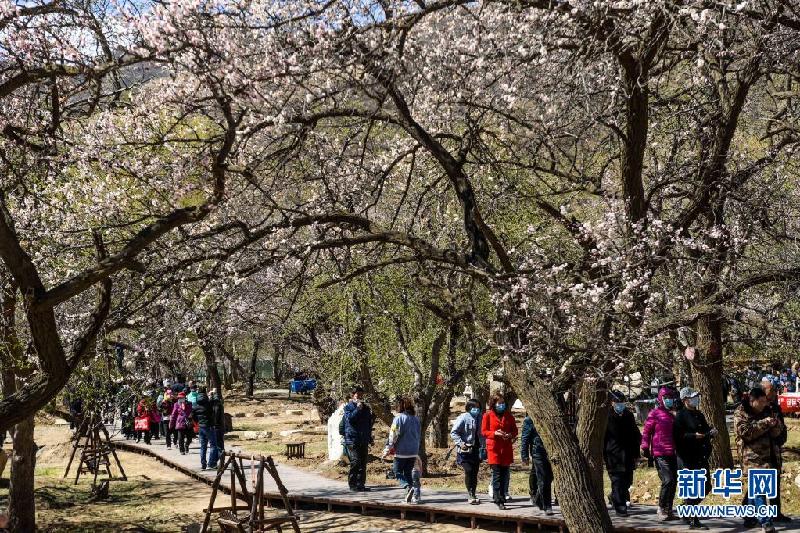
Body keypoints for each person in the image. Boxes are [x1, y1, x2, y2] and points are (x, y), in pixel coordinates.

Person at [734, 387, 784, 533]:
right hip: (752, 458)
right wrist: (764, 423)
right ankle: (766, 522)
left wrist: (775, 424)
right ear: (752, 401)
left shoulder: (768, 410)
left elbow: (778, 432)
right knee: (759, 489)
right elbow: (745, 433)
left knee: (756, 490)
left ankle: (749, 516)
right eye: (760, 402)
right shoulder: (741, 412)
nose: (764, 404)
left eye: (765, 401)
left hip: (771, 456)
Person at [674, 387, 715, 530]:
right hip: (687, 457)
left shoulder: (699, 414)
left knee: (706, 486)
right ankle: (693, 520)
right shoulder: (680, 416)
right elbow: (678, 437)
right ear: (685, 400)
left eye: (696, 396)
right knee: (692, 489)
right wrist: (693, 436)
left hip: (701, 456)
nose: (695, 399)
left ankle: (687, 507)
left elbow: (704, 430)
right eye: (692, 397)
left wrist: (710, 432)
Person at [641, 386, 679, 521]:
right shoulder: (654, 413)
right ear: (660, 399)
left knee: (674, 481)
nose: (668, 400)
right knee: (667, 480)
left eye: (670, 398)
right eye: (665, 398)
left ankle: (669, 509)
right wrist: (645, 447)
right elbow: (646, 431)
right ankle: (661, 508)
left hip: (673, 452)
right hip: (660, 452)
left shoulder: (673, 415)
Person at [604, 391, 641, 517]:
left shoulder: (628, 415)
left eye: (622, 402)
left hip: (628, 454)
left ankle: (613, 496)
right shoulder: (607, 417)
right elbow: (603, 439)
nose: (620, 404)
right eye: (617, 402)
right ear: (612, 403)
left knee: (627, 481)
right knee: (617, 481)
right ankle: (620, 507)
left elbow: (636, 435)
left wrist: (637, 454)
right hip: (613, 455)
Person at [760, 375, 790, 523]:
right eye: (771, 390)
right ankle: (751, 513)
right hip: (761, 452)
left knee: (775, 483)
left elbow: (782, 425)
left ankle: (776, 512)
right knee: (760, 485)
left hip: (775, 449)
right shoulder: (757, 408)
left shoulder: (775, 407)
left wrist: (781, 438)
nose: (774, 393)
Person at [481, 392, 518, 510]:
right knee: (496, 475)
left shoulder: (509, 416)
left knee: (504, 474)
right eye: (499, 403)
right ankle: (498, 499)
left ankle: (503, 495)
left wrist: (510, 435)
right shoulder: (487, 415)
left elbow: (515, 431)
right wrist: (494, 433)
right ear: (494, 404)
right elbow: (484, 431)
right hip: (494, 449)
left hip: (506, 448)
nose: (501, 405)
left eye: (503, 403)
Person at [383, 397, 422, 504]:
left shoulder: (399, 418)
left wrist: (389, 447)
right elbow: (419, 435)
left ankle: (407, 487)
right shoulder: (416, 419)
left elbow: (393, 434)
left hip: (401, 450)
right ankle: (409, 494)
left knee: (397, 471)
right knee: (408, 473)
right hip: (413, 450)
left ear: (400, 406)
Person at [450, 398, 484, 504]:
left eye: (478, 407)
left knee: (474, 472)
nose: (476, 410)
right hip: (465, 450)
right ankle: (470, 494)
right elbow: (454, 432)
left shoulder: (481, 418)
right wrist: (461, 443)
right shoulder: (463, 417)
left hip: (477, 450)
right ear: (469, 408)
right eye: (474, 407)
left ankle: (473, 493)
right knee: (468, 471)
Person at [343, 386, 374, 492]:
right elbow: (350, 419)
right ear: (353, 396)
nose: (360, 397)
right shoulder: (348, 407)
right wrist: (357, 409)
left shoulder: (366, 408)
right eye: (358, 395)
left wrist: (369, 437)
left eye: (361, 395)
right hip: (353, 439)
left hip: (363, 439)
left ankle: (361, 484)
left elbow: (368, 424)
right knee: (355, 461)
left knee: (363, 463)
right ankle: (352, 484)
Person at [521, 413, 553, 515]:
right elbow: (525, 438)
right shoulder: (529, 420)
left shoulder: (551, 416)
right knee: (543, 478)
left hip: (550, 451)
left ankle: (537, 497)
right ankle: (546, 505)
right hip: (538, 452)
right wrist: (524, 455)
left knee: (547, 477)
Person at [192, 387, 218, 470]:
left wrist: (198, 423)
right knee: (213, 445)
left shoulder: (196, 406)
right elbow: (216, 404)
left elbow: (193, 416)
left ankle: (203, 464)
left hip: (201, 427)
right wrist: (214, 394)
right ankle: (211, 463)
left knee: (203, 446)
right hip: (209, 426)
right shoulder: (209, 404)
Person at [209, 388, 226, 458]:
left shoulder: (215, 404)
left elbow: (216, 416)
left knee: (217, 444)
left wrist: (213, 424)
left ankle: (219, 459)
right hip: (220, 425)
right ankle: (221, 458)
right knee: (220, 443)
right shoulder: (219, 403)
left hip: (216, 426)